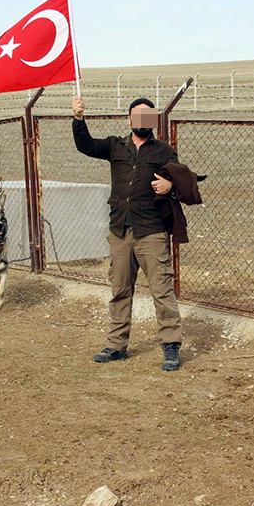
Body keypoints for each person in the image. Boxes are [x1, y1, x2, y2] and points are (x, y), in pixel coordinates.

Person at [72, 95, 183, 371]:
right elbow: (85, 146)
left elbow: (180, 180)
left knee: (162, 290)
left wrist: (170, 187)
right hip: (120, 229)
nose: (142, 121)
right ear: (129, 119)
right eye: (138, 116)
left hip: (151, 231)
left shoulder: (164, 152)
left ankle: (170, 347)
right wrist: (78, 118)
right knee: (119, 289)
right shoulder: (114, 145)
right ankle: (116, 345)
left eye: (148, 116)